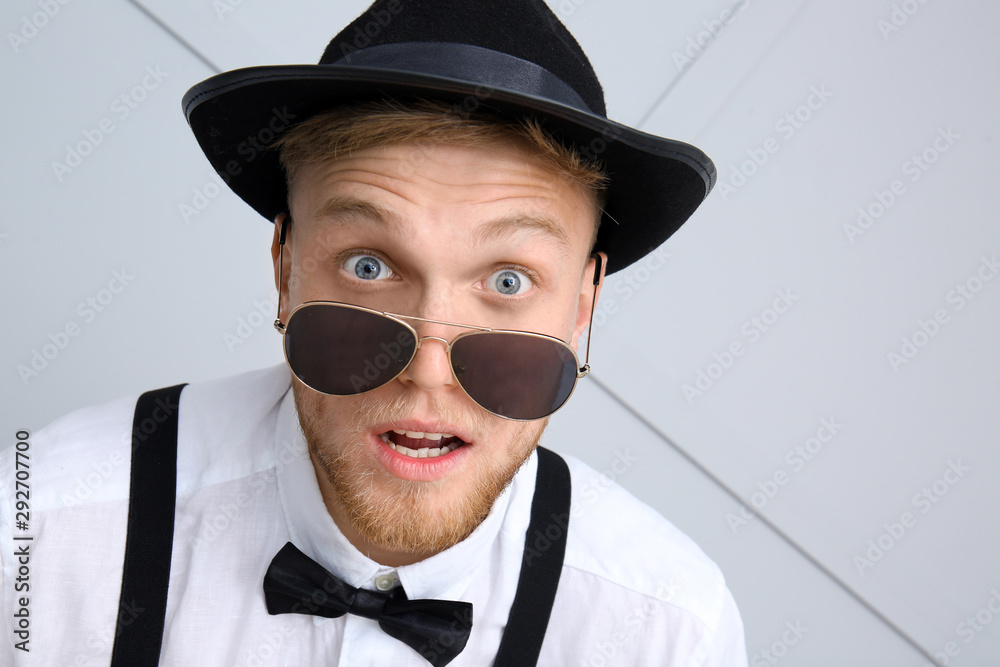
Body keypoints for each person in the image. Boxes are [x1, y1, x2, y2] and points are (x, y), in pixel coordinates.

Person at [1, 0, 747, 664]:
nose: (427, 371)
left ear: (582, 304)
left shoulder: (670, 633)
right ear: (285, 266)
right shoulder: (35, 529)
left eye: (508, 280)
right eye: (368, 264)